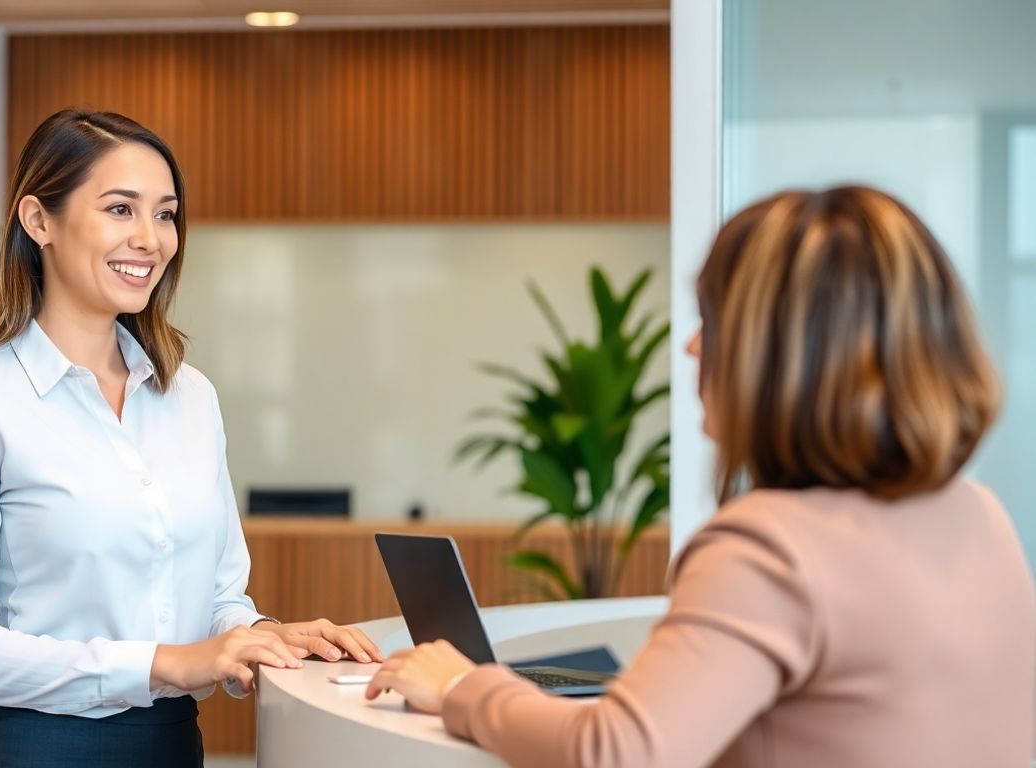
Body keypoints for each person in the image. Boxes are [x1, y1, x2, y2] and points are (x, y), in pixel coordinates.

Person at [366, 185, 1036, 767]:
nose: (690, 345)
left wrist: (463, 688)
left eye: (712, 321)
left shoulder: (770, 547)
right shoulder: (979, 515)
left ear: (780, 357)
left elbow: (616, 751)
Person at [0, 108, 382, 767]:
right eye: (120, 209)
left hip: (172, 743)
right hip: (39, 748)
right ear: (38, 220)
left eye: (165, 214)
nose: (151, 239)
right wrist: (169, 662)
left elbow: (219, 595)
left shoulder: (190, 395)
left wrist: (263, 636)